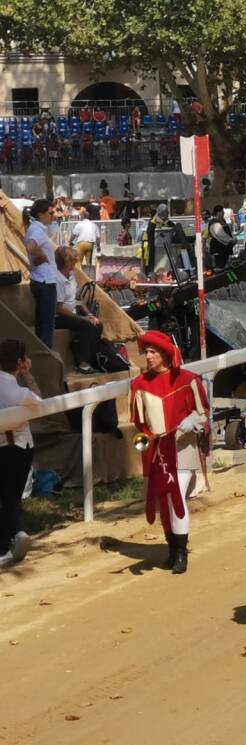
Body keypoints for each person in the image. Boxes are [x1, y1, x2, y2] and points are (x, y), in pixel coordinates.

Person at [129, 331, 209, 574]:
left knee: (176, 497)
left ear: (165, 354)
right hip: (157, 452)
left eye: (153, 352)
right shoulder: (139, 385)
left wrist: (192, 422)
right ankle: (172, 549)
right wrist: (144, 442)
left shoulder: (188, 379)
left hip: (183, 447)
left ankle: (182, 553)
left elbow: (203, 413)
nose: (148, 357)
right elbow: (140, 424)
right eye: (146, 352)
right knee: (163, 500)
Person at [0, 340, 39, 568]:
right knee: (11, 498)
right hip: (18, 449)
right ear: (20, 362)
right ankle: (13, 539)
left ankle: (14, 536)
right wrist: (28, 375)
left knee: (6, 498)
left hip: (8, 448)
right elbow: (42, 403)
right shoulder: (20, 391)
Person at [54, 247, 102, 374]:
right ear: (66, 263)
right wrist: (83, 318)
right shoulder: (57, 279)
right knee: (87, 325)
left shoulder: (71, 275)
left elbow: (79, 299)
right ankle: (82, 363)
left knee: (98, 324)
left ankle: (89, 357)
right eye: (73, 261)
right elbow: (59, 309)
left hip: (71, 313)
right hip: (58, 317)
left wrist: (89, 314)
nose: (75, 263)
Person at [23, 199, 59, 348]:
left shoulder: (36, 228)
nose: (53, 216)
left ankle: (42, 352)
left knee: (42, 322)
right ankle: (46, 354)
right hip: (45, 281)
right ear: (40, 214)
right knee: (47, 324)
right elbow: (30, 247)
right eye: (50, 213)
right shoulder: (37, 230)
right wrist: (42, 256)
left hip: (41, 279)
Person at [207, 205, 234, 270]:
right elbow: (220, 234)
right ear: (218, 212)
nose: (223, 213)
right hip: (218, 248)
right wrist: (230, 240)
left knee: (226, 266)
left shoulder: (222, 220)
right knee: (220, 267)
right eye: (222, 212)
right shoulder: (214, 222)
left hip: (226, 248)